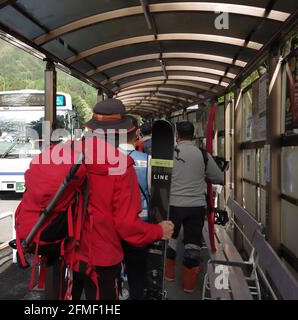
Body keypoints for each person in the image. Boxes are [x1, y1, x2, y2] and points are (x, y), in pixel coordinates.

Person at [70, 99, 174, 300]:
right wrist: (159, 230)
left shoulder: (70, 153)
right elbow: (126, 224)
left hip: (71, 250)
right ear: (121, 131)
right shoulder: (121, 166)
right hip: (102, 255)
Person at [166, 121, 224, 293]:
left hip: (174, 204)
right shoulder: (202, 154)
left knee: (171, 240)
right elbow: (218, 177)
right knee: (192, 244)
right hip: (196, 205)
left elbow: (161, 177)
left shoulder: (170, 153)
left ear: (177, 136)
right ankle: (189, 285)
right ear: (193, 135)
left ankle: (169, 274)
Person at [118, 116, 152, 299]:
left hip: (113, 225)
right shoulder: (147, 160)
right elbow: (152, 192)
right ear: (137, 133)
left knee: (112, 267)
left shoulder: (106, 159)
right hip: (140, 223)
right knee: (138, 272)